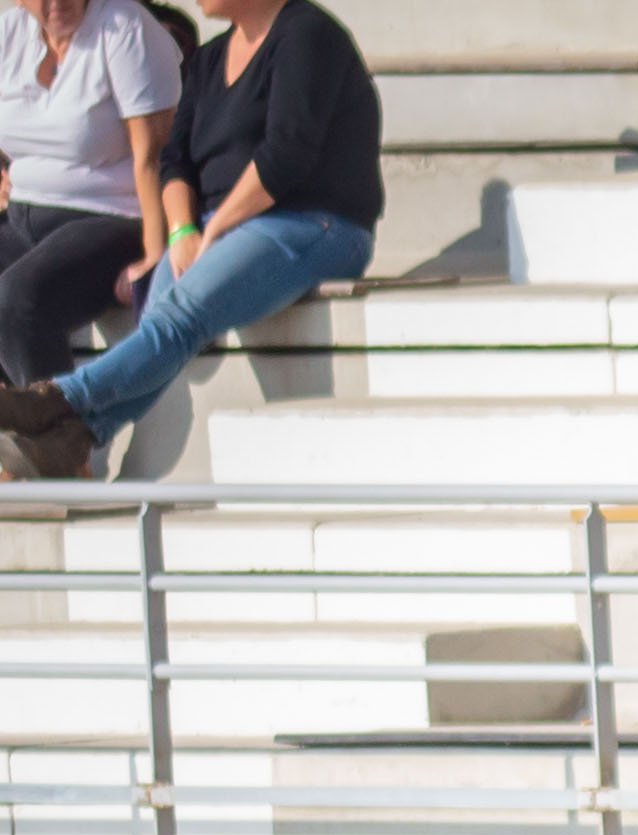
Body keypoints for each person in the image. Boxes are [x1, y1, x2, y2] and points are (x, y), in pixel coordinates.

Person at [0, 0, 373, 478]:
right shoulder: (211, 58)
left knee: (177, 318)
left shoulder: (308, 35)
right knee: (162, 324)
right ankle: (74, 438)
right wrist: (183, 228)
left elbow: (286, 155)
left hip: (310, 223)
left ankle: (52, 401)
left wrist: (211, 230)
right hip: (215, 226)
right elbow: (175, 160)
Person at [0, 0, 185, 396]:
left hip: (110, 217)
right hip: (23, 216)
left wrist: (155, 256)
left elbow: (154, 156)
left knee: (17, 300)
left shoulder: (124, 27)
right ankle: (15, 427)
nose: (57, 3)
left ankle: (59, 428)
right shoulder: (8, 33)